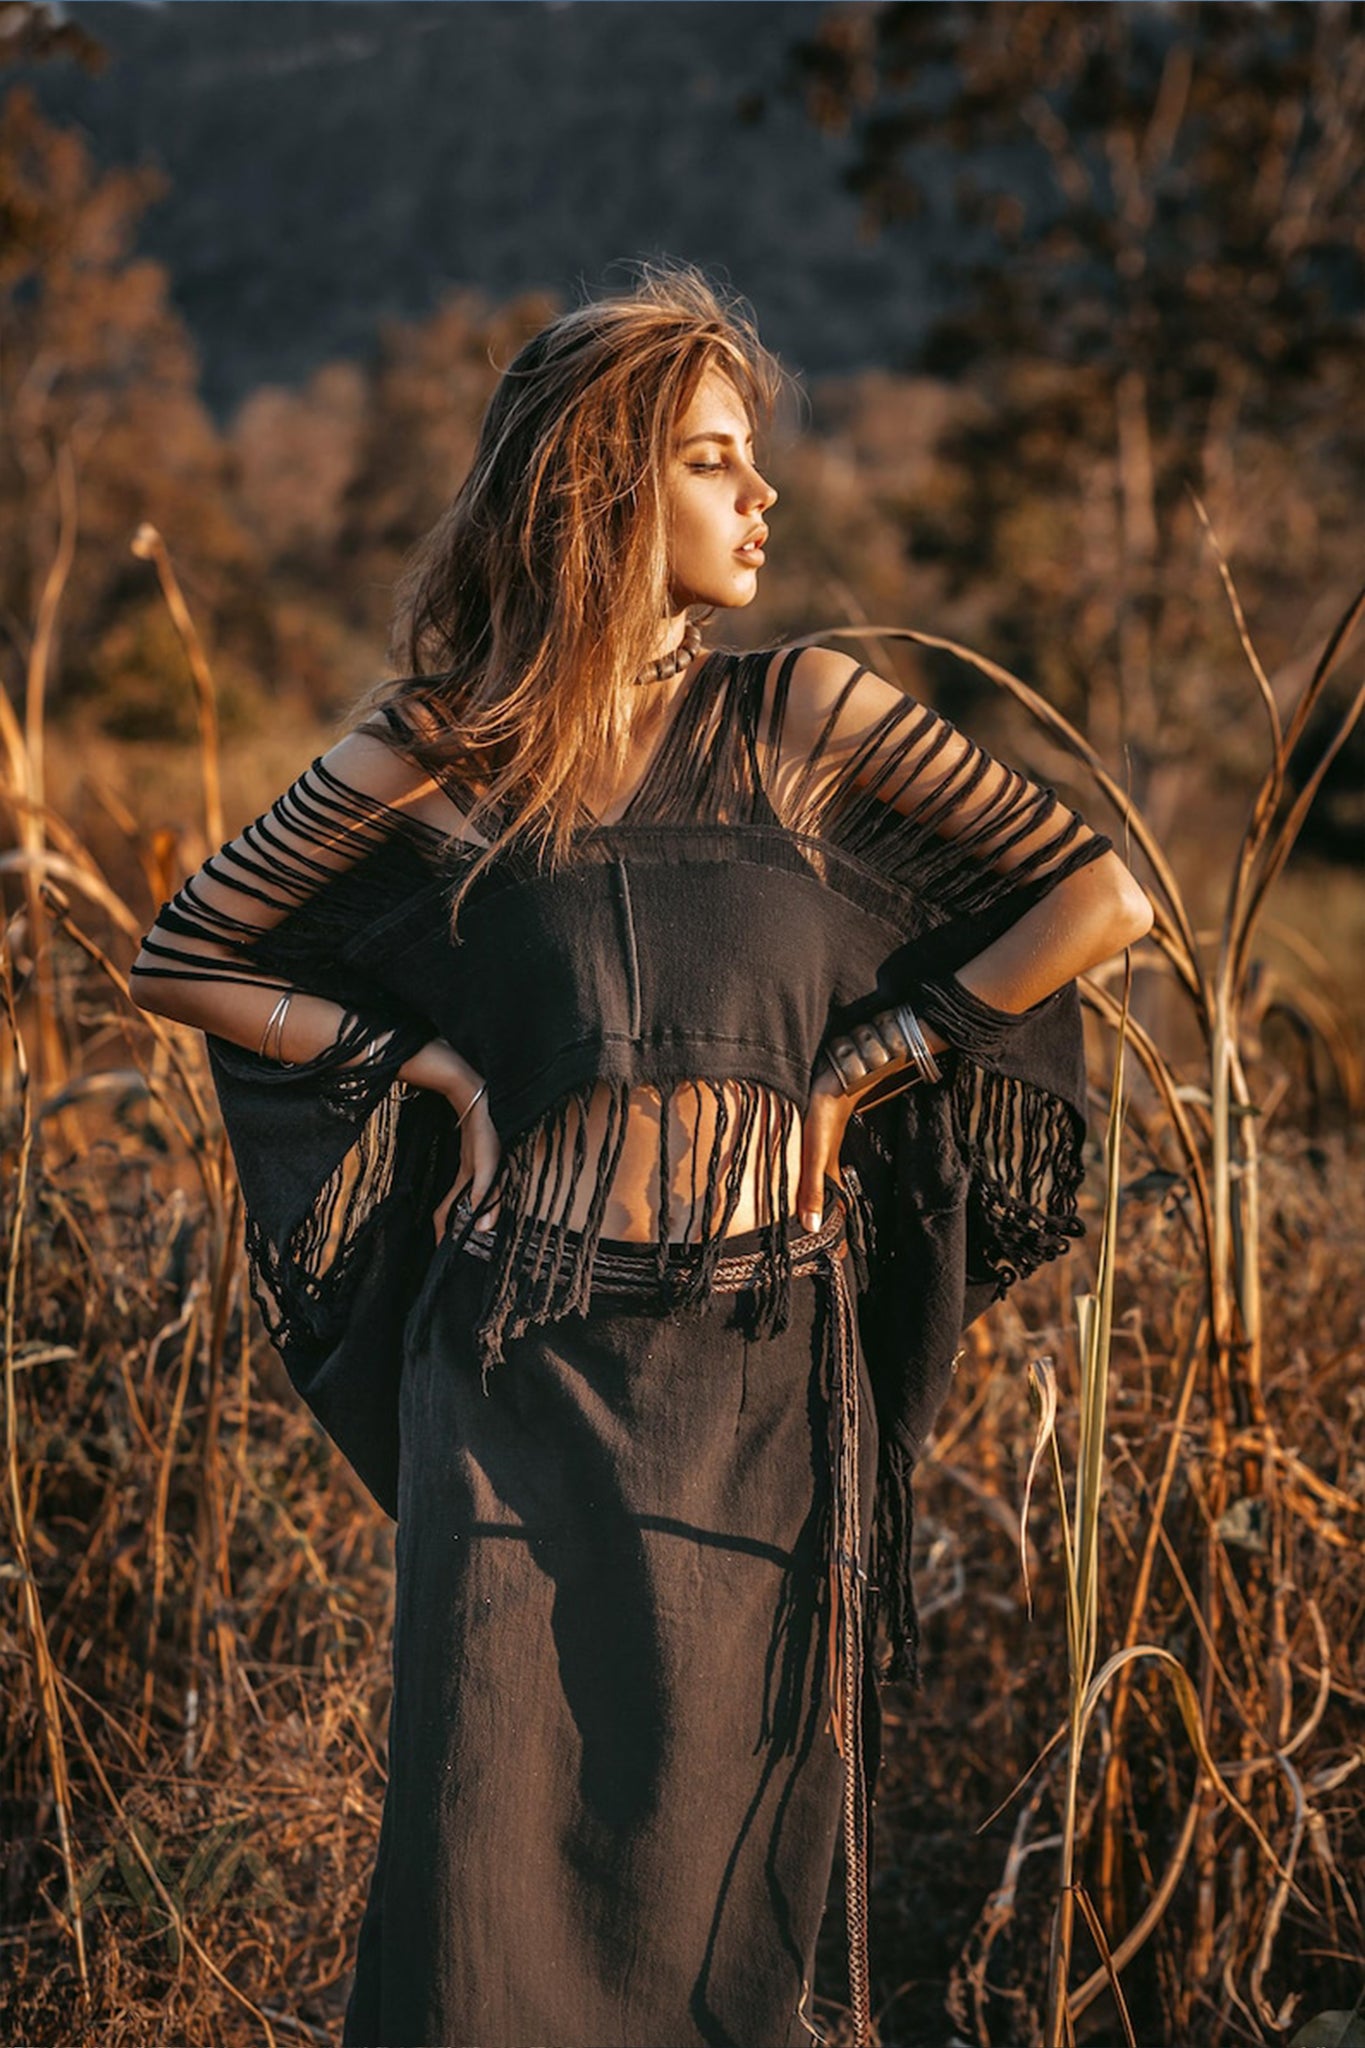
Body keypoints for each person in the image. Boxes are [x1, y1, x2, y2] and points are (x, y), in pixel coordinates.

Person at [129, 262, 1152, 2048]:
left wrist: (873, 1062)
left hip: (765, 1371)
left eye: (750, 459)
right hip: (518, 1370)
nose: (761, 498)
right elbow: (187, 955)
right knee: (480, 1870)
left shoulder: (805, 717)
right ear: (597, 488)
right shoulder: (435, 746)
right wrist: (419, 1059)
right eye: (710, 460)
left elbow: (1096, 894)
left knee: (737, 1891)